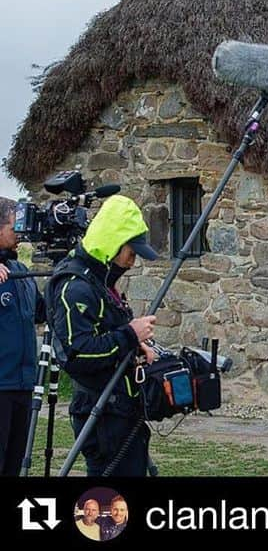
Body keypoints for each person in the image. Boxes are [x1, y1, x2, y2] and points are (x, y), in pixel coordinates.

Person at [48, 195, 158, 476]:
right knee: (107, 510)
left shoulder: (101, 283)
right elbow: (78, 352)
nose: (133, 263)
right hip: (101, 414)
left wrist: (136, 350)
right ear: (113, 244)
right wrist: (130, 336)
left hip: (122, 410)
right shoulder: (75, 287)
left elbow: (107, 334)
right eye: (131, 253)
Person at [0, 197, 45, 476]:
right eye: (14, 225)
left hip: (23, 385)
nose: (20, 232)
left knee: (13, 466)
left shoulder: (21, 272)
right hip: (0, 385)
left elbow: (42, 312)